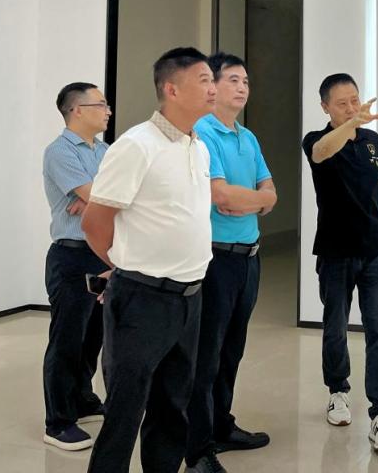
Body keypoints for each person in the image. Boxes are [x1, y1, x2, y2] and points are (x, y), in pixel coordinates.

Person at [81, 47, 216, 473]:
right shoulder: (137, 145)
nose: (213, 88)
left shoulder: (199, 147)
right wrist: (124, 266)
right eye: (204, 80)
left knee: (172, 407)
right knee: (125, 409)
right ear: (171, 89)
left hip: (190, 296)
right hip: (142, 298)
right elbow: (94, 222)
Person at [185, 53, 277, 473]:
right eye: (233, 80)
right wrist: (254, 199)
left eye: (246, 81)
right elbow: (220, 196)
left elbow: (272, 193)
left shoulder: (248, 136)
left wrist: (251, 201)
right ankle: (198, 446)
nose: (242, 88)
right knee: (206, 354)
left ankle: (222, 424)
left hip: (248, 258)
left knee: (232, 350)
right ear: (213, 86)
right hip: (215, 259)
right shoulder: (202, 132)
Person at [302, 74, 378, 453]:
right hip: (335, 250)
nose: (350, 108)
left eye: (354, 100)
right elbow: (321, 152)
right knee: (335, 326)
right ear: (325, 107)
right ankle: (337, 392)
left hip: (375, 249)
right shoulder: (317, 139)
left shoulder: (372, 140)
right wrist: (349, 124)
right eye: (342, 103)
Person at [41, 83, 112, 451]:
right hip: (71, 256)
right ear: (77, 110)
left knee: (93, 335)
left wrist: (94, 200)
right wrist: (96, 198)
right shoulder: (59, 152)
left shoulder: (105, 150)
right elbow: (103, 195)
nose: (108, 110)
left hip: (102, 254)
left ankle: (83, 399)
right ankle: (58, 422)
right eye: (101, 104)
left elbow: (119, 194)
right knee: (67, 340)